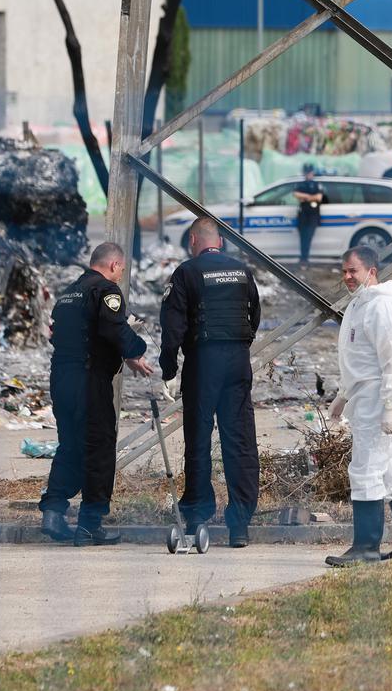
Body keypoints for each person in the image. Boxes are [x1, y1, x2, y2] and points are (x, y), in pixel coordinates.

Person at [38, 241, 154, 547]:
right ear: (114, 265)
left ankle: (53, 510)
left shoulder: (67, 294)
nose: (120, 276)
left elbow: (67, 334)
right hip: (89, 381)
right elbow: (114, 329)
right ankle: (90, 524)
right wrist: (137, 350)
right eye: (121, 270)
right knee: (99, 449)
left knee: (71, 446)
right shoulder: (106, 291)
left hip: (61, 379)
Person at [159, 219, 262, 548]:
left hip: (203, 365)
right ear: (219, 241)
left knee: (199, 441)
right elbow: (254, 315)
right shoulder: (242, 271)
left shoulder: (187, 273)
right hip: (237, 363)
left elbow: (172, 325)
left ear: (193, 240)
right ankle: (240, 526)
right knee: (240, 441)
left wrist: (168, 368)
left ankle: (197, 517)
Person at [325, 246, 392, 566]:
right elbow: (358, 360)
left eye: (353, 271)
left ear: (372, 270)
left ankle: (365, 547)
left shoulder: (382, 307)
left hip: (380, 399)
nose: (347, 277)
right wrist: (343, 395)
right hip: (368, 396)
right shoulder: (360, 306)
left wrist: (391, 406)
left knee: (365, 468)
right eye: (344, 272)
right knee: (390, 469)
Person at [292, 162, 324, 267]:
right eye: (306, 172)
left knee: (308, 236)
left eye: (309, 172)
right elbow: (295, 194)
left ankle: (305, 258)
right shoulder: (300, 184)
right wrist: (311, 196)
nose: (308, 174)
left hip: (313, 215)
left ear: (313, 173)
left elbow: (319, 198)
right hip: (303, 215)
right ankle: (303, 258)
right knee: (303, 237)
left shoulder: (316, 184)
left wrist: (304, 197)